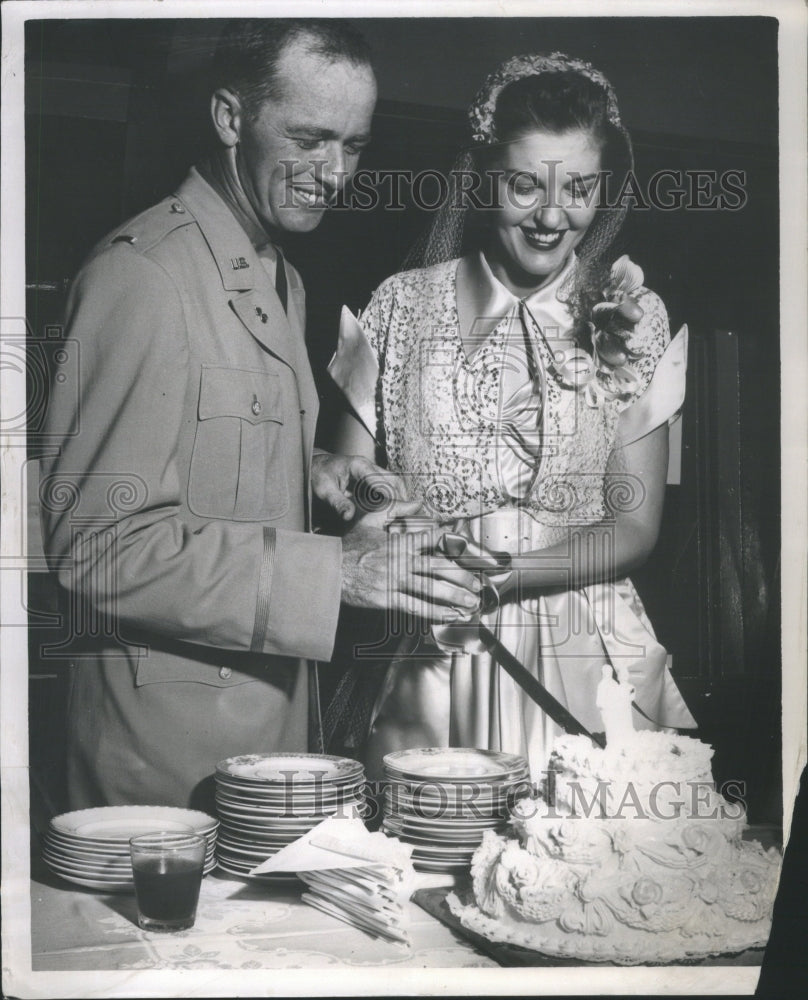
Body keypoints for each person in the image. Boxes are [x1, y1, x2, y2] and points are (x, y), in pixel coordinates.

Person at [39, 19, 480, 811]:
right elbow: (98, 547)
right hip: (163, 765)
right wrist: (337, 572)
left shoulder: (277, 273)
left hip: (268, 734)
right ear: (230, 118)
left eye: (354, 145)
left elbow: (195, 455)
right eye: (310, 139)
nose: (335, 172)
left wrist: (314, 471)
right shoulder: (142, 277)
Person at [332, 52, 697, 781]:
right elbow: (350, 491)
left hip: (588, 657)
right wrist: (400, 525)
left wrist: (503, 575)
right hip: (433, 649)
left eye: (580, 188)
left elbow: (634, 526)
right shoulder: (399, 308)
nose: (553, 216)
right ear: (483, 177)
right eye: (526, 185)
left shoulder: (635, 320)